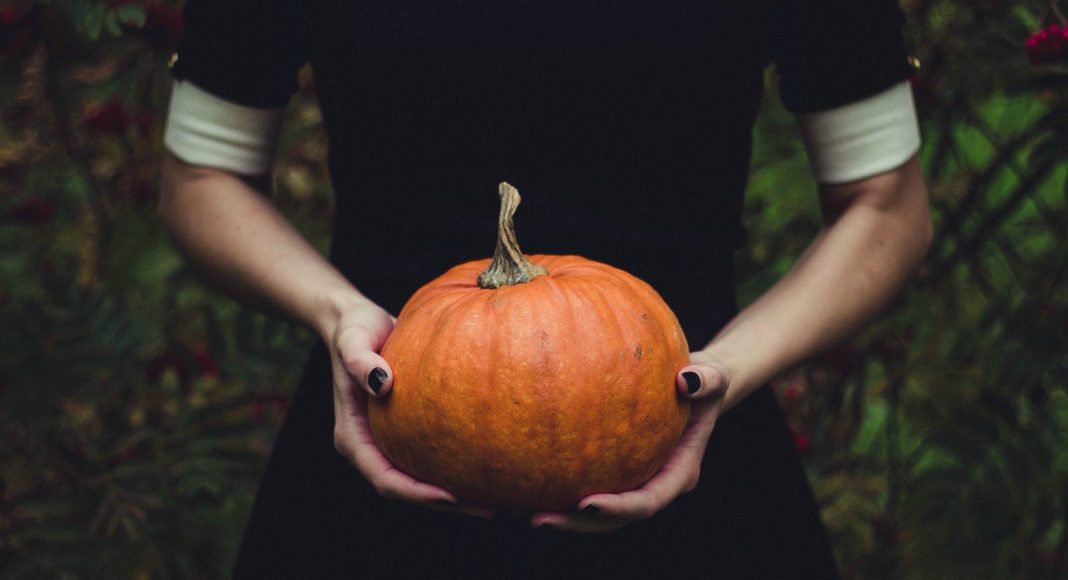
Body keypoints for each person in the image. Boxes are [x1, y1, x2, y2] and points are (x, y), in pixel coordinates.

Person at [159, 0, 931, 577]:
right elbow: (202, 177)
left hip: (687, 432)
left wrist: (727, 371)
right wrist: (337, 316)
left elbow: (887, 207)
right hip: (385, 418)